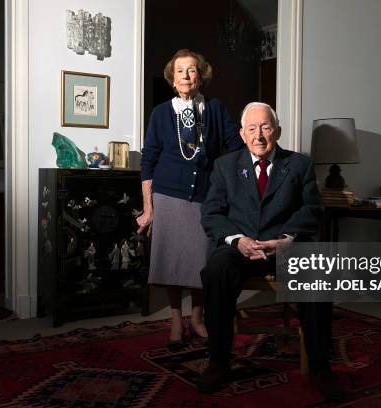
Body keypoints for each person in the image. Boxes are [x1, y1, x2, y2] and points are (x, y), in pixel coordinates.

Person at [197, 102, 342, 400]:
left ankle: (320, 365)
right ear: (242, 133)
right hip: (240, 247)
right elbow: (211, 213)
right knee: (215, 272)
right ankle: (218, 361)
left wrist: (286, 239)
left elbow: (313, 209)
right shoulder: (225, 166)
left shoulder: (299, 164)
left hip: (284, 246)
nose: (259, 136)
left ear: (277, 131)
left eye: (265, 128)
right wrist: (237, 240)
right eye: (252, 129)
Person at [138, 49, 244, 348]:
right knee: (172, 261)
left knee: (201, 262)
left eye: (192, 69)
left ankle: (197, 319)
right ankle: (175, 320)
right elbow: (149, 160)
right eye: (180, 70)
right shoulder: (160, 113)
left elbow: (235, 145)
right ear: (172, 78)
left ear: (201, 76)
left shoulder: (215, 108)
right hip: (168, 193)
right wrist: (148, 208)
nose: (186, 75)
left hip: (205, 194)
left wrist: (256, 136)